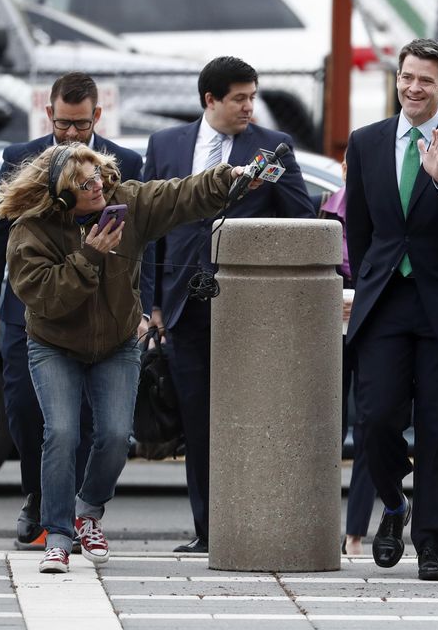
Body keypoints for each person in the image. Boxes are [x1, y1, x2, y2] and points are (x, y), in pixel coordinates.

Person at [0, 142, 263, 573]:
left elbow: (179, 194)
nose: (98, 185)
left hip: (116, 342)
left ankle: (89, 511)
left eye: (98, 174)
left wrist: (227, 178)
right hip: (54, 344)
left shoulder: (125, 202)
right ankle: (58, 537)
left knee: (118, 435)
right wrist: (91, 256)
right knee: (61, 433)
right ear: (63, 196)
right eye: (85, 183)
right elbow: (46, 299)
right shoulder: (31, 231)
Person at [144, 56, 315, 554]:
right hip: (182, 306)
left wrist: (271, 184)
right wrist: (150, 303)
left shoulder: (272, 148)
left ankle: (255, 522)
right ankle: (209, 531)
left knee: (250, 417)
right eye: (239, 98)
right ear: (210, 100)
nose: (249, 106)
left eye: (252, 96)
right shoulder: (166, 144)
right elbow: (149, 227)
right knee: (197, 419)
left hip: (249, 306)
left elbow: (302, 219)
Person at [0, 72, 147, 547]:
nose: (72, 134)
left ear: (97, 116)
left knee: (89, 424)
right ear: (49, 114)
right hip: (28, 309)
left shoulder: (123, 162)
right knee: (27, 411)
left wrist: (145, 308)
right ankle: (37, 496)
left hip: (100, 314)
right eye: (64, 124)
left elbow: (143, 242)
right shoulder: (19, 158)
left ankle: (69, 516)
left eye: (81, 125)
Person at [346, 38, 438, 581]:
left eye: (425, 81)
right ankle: (393, 505)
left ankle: (431, 544)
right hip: (386, 300)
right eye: (406, 77)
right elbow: (360, 228)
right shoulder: (365, 142)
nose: (413, 87)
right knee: (376, 419)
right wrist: (367, 282)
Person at [319, 157, 378, 557]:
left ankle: (355, 532)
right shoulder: (323, 208)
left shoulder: (387, 210)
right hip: (329, 329)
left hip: (375, 324)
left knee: (371, 423)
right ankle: (319, 525)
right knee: (326, 426)